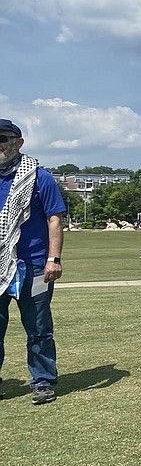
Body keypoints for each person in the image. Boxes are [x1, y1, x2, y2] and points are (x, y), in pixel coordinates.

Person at [0, 119, 66, 405]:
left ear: (18, 142)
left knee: (39, 327)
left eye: (3, 138)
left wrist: (54, 258)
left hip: (35, 266)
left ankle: (42, 381)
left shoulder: (40, 177)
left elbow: (55, 219)